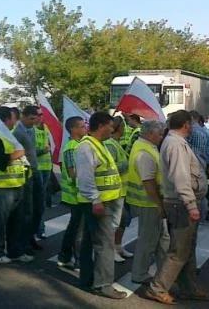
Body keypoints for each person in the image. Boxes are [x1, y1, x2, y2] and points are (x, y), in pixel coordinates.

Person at [143, 110, 209, 304]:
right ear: (186, 124)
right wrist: (191, 205)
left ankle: (189, 287)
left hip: (181, 203)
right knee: (179, 251)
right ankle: (157, 288)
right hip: (181, 204)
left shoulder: (175, 142)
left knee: (186, 249)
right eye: (191, 124)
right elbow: (181, 177)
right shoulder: (175, 144)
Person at [75, 111, 125, 299]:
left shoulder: (98, 145)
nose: (112, 130)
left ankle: (88, 279)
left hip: (102, 202)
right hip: (97, 203)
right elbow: (85, 179)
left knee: (90, 242)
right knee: (105, 244)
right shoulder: (87, 148)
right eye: (110, 126)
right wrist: (96, 200)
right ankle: (104, 284)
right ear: (102, 125)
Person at [126, 120, 170, 284]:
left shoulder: (146, 147)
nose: (161, 137)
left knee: (162, 238)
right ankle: (139, 274)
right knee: (148, 240)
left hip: (151, 203)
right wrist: (159, 205)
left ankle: (166, 270)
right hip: (149, 204)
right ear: (150, 134)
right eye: (159, 134)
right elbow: (148, 183)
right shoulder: (144, 153)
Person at [0, 107, 30, 264]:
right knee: (0, 220)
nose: (15, 121)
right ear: (6, 120)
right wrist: (18, 154)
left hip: (17, 183)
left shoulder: (8, 136)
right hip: (3, 186)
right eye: (13, 118)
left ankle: (15, 251)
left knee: (16, 220)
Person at [57, 116, 87, 270]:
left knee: (73, 228)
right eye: (82, 126)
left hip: (80, 194)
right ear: (73, 129)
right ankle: (78, 261)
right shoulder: (71, 147)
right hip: (76, 195)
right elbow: (72, 172)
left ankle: (64, 256)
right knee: (78, 230)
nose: (85, 128)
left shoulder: (80, 144)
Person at [13, 105, 43, 251]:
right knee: (27, 210)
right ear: (23, 116)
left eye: (36, 118)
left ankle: (30, 236)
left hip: (35, 170)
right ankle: (24, 241)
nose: (34, 121)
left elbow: (31, 150)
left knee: (39, 207)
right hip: (26, 172)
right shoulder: (17, 132)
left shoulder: (31, 129)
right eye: (31, 118)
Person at [104, 116, 133, 263]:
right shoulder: (110, 144)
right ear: (118, 128)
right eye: (123, 126)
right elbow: (111, 167)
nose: (125, 129)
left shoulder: (115, 143)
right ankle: (111, 251)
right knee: (114, 223)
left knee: (123, 220)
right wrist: (127, 164)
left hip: (122, 189)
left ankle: (117, 246)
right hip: (115, 190)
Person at [34, 114, 53, 238]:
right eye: (38, 115)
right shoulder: (31, 130)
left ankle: (39, 228)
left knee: (41, 199)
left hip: (47, 167)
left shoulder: (46, 128)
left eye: (42, 115)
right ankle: (39, 229)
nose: (41, 117)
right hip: (37, 168)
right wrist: (42, 151)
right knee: (38, 200)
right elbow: (28, 150)